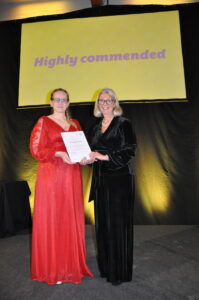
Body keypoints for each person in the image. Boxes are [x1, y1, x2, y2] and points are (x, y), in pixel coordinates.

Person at [29, 88, 93, 285]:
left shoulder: (75, 123)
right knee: (53, 218)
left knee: (69, 217)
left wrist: (85, 158)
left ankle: (70, 266)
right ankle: (53, 269)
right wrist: (58, 154)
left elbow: (81, 148)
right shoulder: (43, 121)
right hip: (52, 176)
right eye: (56, 99)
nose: (59, 102)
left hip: (72, 176)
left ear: (68, 103)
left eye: (63, 99)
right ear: (50, 102)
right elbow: (35, 149)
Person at [85, 88, 136, 285]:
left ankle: (120, 272)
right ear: (97, 104)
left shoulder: (124, 124)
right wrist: (87, 159)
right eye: (101, 100)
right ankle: (107, 269)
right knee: (103, 226)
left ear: (115, 103)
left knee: (117, 226)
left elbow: (130, 151)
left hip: (119, 180)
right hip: (100, 182)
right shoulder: (95, 126)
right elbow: (91, 152)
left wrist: (104, 156)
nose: (105, 103)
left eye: (109, 100)